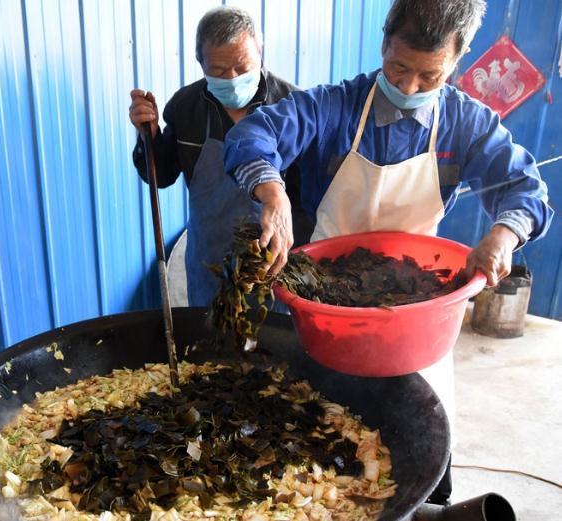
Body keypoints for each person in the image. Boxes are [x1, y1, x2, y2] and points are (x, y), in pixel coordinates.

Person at [224, 0, 553, 504]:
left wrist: (503, 235)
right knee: (326, 452)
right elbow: (254, 134)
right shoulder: (333, 108)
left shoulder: (466, 124)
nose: (409, 87)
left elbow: (524, 189)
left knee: (423, 452)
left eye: (429, 75)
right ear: (383, 45)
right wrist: (272, 191)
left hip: (419, 317)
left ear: (457, 59)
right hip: (330, 311)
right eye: (399, 68)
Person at [128, 6, 313, 307]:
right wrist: (148, 136)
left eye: (242, 66)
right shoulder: (186, 108)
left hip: (276, 266)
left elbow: (311, 196)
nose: (233, 78)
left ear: (260, 49)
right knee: (210, 347)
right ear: (200, 63)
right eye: (218, 71)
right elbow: (160, 176)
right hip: (209, 265)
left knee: (277, 345)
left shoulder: (291, 106)